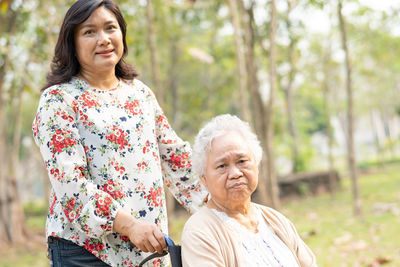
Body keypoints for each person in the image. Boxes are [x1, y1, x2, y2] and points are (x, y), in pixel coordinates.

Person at [32, 0, 207, 266]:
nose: (103, 39)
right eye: (89, 32)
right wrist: (130, 226)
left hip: (148, 247)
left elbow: (176, 159)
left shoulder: (140, 94)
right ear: (72, 42)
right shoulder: (58, 101)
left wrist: (219, 210)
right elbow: (71, 185)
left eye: (110, 28)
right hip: (86, 251)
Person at [181, 114, 317, 267]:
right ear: (204, 177)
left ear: (256, 164)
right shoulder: (200, 232)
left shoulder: (275, 220)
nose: (235, 173)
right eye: (222, 166)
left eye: (241, 161)